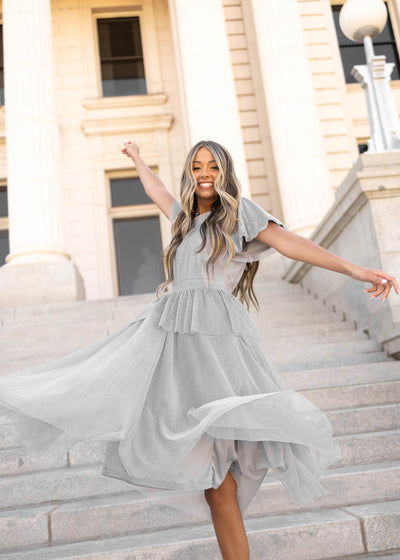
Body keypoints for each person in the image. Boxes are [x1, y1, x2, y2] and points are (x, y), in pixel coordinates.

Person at [0, 139, 398, 560]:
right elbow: (157, 192)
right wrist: (137, 160)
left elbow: (289, 243)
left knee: (221, 476)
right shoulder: (183, 220)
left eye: (212, 166)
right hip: (175, 341)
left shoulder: (240, 213)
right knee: (215, 483)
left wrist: (354, 269)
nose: (204, 172)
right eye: (197, 166)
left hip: (218, 344)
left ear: (224, 171)